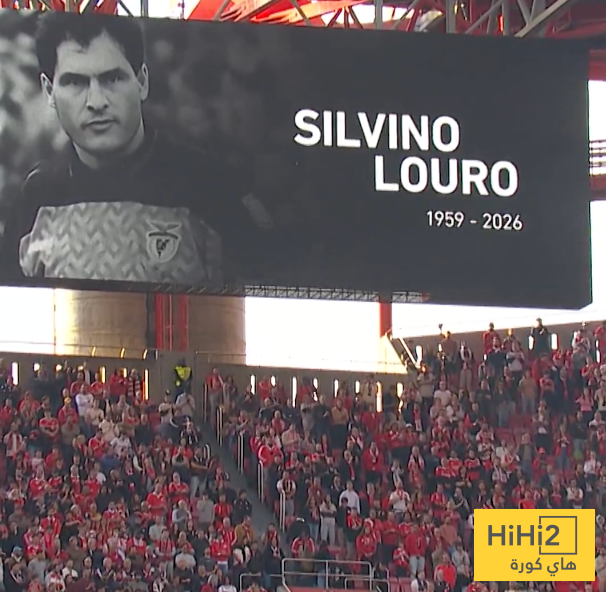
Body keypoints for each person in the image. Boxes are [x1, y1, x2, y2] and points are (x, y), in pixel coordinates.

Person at [1, 11, 273, 286]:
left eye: (112, 79)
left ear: (142, 82)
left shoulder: (210, 186)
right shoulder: (36, 197)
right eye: (75, 82)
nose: (96, 101)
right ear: (49, 91)